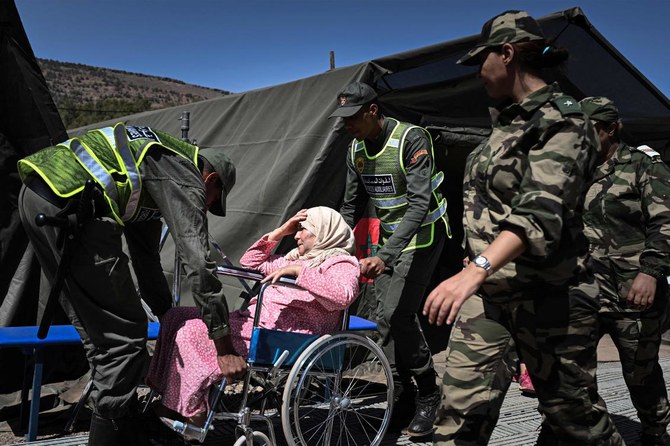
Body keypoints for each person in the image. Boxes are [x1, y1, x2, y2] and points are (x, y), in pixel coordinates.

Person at [423, 10, 623, 445]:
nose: (480, 72)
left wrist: (473, 269)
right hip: (491, 297)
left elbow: (539, 211)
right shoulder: (505, 123)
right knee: (457, 415)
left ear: (507, 53)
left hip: (550, 297)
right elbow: (491, 206)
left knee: (573, 420)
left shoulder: (564, 122)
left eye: (482, 60)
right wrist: (479, 259)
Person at [17, 123, 246, 444]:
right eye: (212, 201)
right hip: (68, 204)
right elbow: (198, 262)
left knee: (104, 339)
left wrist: (169, 320)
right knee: (122, 341)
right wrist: (223, 347)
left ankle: (125, 425)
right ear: (210, 180)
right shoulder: (184, 175)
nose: (206, 207)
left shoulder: (148, 172)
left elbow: (147, 260)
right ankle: (112, 435)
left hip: (38, 194)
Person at [146, 206, 360, 421]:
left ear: (323, 231)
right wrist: (280, 231)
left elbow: (344, 295)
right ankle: (168, 396)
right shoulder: (296, 259)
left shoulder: (341, 262)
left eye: (302, 229)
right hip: (254, 321)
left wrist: (300, 273)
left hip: (285, 335)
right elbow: (250, 261)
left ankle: (187, 413)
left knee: (193, 331)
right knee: (175, 317)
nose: (296, 235)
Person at [329, 81, 450, 436]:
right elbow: (350, 207)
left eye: (353, 117)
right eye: (343, 118)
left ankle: (430, 392)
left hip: (424, 235)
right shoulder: (355, 150)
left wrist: (386, 255)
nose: (347, 125)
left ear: (373, 111)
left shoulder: (411, 139)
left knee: (399, 314)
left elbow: (419, 203)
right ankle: (403, 395)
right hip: (390, 240)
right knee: (385, 320)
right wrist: (333, 248)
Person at [580, 96, 670, 446]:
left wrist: (650, 272)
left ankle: (655, 430)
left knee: (640, 372)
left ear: (612, 128)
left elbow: (665, 223)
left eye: (592, 130)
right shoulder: (575, 170)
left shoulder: (644, 166)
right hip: (583, 291)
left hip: (633, 292)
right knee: (574, 372)